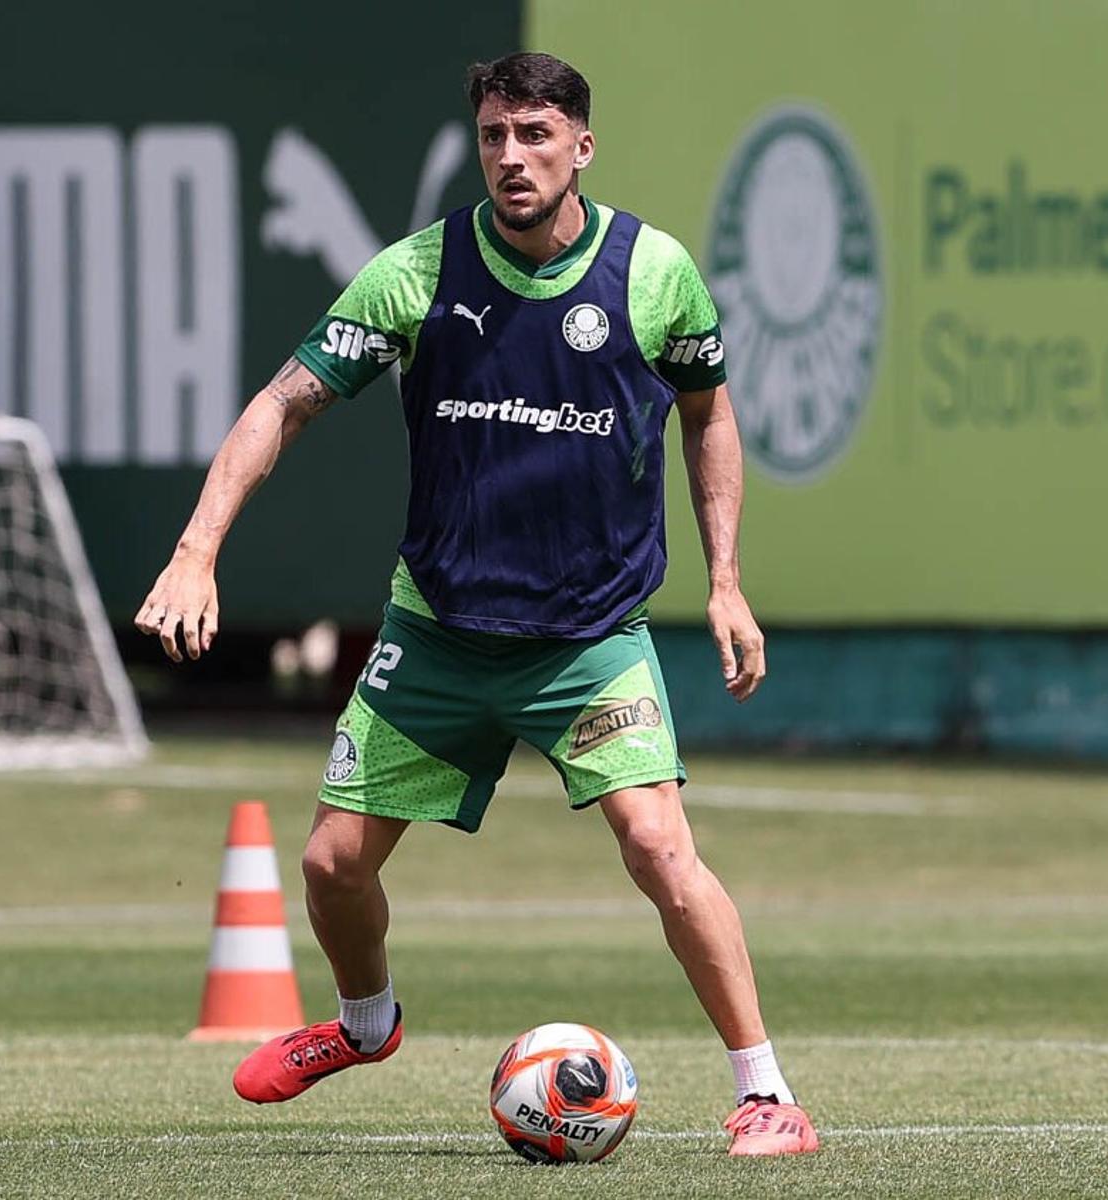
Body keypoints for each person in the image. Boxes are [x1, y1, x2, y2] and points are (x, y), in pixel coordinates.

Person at [134, 51, 817, 1158]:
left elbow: (711, 415)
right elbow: (283, 403)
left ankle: (767, 1094)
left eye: (536, 135)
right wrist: (194, 551)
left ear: (581, 147)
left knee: (659, 847)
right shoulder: (414, 273)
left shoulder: (655, 275)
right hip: (440, 634)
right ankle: (366, 1026)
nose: (512, 156)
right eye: (495, 135)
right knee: (327, 867)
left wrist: (727, 583)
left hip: (590, 641)